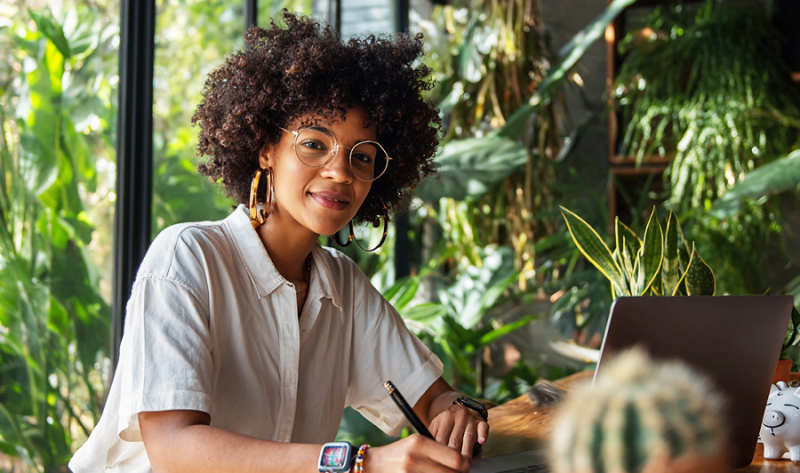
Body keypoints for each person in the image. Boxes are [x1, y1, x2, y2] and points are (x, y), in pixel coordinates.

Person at [69, 11, 490, 473]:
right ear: (265, 148)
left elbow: (432, 398)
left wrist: (455, 410)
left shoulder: (342, 288)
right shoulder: (186, 259)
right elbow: (174, 447)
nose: (340, 171)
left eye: (362, 156)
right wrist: (361, 465)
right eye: (314, 144)